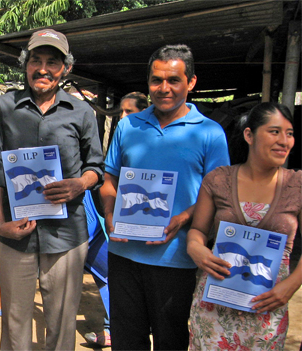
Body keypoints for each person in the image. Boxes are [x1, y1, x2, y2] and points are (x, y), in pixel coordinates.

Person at [99, 44, 230, 350]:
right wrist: (109, 213)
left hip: (177, 259)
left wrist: (184, 218)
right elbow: (109, 180)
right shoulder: (128, 125)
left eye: (174, 80)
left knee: (170, 340)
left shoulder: (210, 133)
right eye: (157, 80)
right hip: (123, 256)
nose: (164, 88)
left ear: (191, 82)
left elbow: (220, 195)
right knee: (126, 341)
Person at [0, 29, 104, 350]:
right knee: (15, 321)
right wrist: (0, 224)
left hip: (66, 234)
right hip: (15, 232)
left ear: (65, 68)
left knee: (61, 324)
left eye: (53, 61)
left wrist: (80, 183)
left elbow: (96, 168)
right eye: (36, 60)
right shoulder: (5, 107)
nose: (43, 68)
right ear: (25, 64)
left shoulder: (81, 112)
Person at [187, 102, 301, 350]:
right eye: (274, 131)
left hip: (267, 308)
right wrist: (195, 248)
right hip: (214, 306)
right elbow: (198, 230)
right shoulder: (218, 179)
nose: (284, 140)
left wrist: (291, 285)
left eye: (289, 133)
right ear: (249, 135)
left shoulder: (298, 185)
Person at [83, 90, 149, 348]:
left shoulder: (151, 142)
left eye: (129, 111)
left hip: (141, 222)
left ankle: (119, 327)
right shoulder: (120, 140)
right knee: (107, 272)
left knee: (115, 273)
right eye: (121, 111)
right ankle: (113, 327)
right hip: (110, 220)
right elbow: (107, 180)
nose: (122, 117)